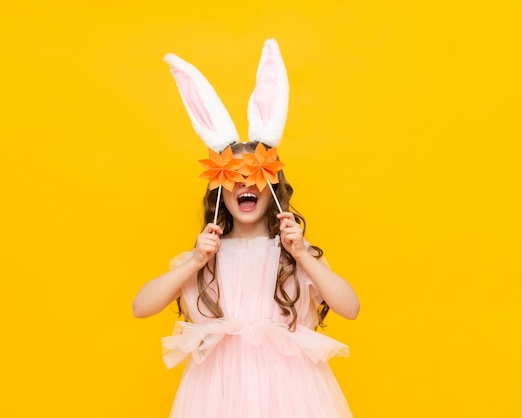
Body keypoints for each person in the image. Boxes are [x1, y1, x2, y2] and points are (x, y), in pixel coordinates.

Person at [133, 39, 360, 418]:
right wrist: (194, 260)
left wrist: (302, 253)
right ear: (218, 187)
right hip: (216, 394)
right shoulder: (204, 257)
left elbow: (350, 308)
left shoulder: (295, 254)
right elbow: (141, 307)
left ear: (273, 189)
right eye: (233, 177)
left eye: (255, 175)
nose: (245, 185)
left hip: (292, 393)